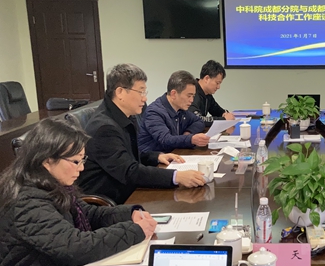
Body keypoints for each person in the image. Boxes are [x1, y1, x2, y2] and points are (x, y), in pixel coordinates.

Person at [0, 118, 157, 266]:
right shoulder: (27, 202)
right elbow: (77, 247)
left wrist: (128, 214)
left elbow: (88, 214)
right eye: (75, 161)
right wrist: (135, 231)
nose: (82, 168)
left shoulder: (50, 186)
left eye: (83, 160)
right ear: (47, 160)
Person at [77, 64, 206, 205]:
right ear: (120, 92)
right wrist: (176, 176)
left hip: (128, 189)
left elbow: (128, 156)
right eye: (141, 92)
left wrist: (156, 156)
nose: (144, 99)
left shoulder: (123, 117)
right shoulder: (105, 128)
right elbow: (129, 171)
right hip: (111, 202)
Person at [138, 70, 210, 153]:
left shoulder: (181, 109)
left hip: (174, 153)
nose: (191, 100)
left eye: (193, 96)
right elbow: (165, 139)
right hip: (155, 158)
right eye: (189, 96)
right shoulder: (154, 112)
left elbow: (199, 121)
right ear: (173, 94)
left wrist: (188, 133)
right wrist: (191, 139)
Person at [189, 60, 235, 126]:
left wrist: (225, 114)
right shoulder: (192, 93)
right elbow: (197, 119)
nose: (218, 87)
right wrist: (224, 119)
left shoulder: (207, 94)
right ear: (207, 78)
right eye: (217, 83)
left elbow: (217, 110)